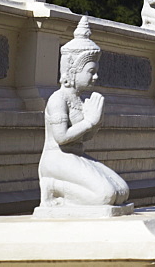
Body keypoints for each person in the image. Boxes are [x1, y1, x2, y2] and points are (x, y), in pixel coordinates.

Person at [37, 17, 130, 210]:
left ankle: (59, 187)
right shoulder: (58, 99)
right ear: (73, 71)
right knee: (106, 195)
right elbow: (61, 138)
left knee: (122, 192)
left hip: (76, 155)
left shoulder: (80, 100)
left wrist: (96, 122)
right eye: (91, 71)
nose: (95, 77)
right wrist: (89, 122)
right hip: (56, 159)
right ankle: (52, 185)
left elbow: (85, 137)